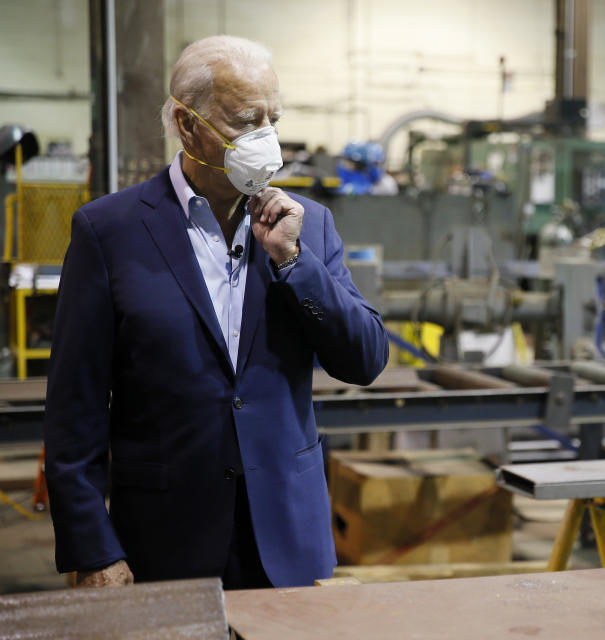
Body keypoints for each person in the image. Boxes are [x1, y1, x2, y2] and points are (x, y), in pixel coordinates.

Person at [43, 35, 388, 589]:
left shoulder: (309, 225)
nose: (267, 139)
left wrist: (295, 263)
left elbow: (366, 359)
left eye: (272, 118)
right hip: (163, 543)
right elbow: (72, 413)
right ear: (187, 124)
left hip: (286, 542)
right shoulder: (108, 233)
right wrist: (93, 549)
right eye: (246, 120)